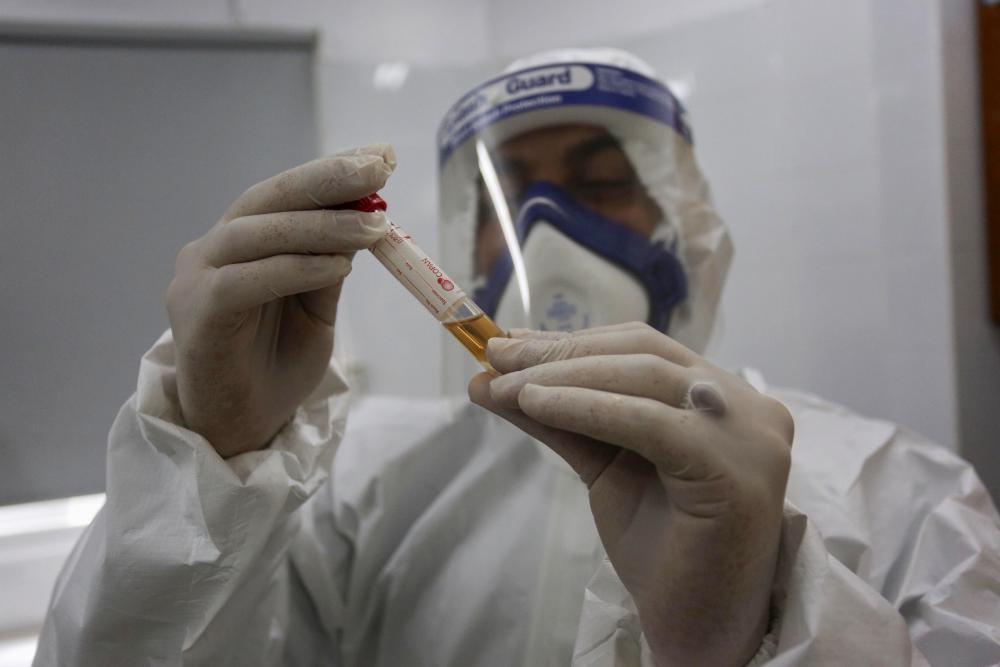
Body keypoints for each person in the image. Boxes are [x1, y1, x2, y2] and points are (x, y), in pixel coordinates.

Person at [34, 48, 1000, 666]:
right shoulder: (361, 489)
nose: (544, 232)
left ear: (688, 224)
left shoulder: (898, 493)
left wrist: (756, 628)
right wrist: (215, 459)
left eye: (601, 184)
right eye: (509, 197)